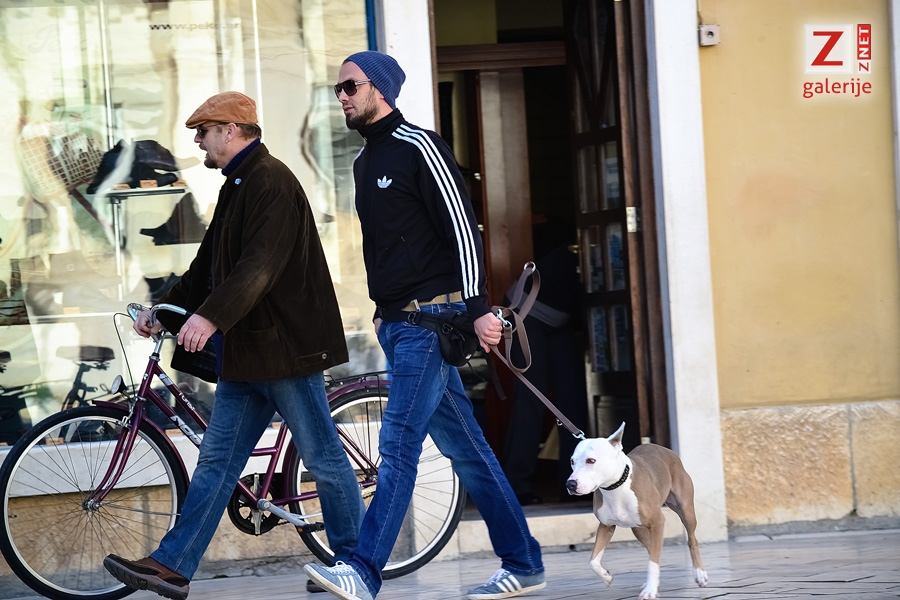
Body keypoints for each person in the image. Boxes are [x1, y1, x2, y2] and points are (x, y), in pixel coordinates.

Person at [102, 91, 365, 600]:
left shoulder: (271, 181)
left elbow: (258, 267)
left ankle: (354, 564)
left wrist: (209, 318)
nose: (198, 141)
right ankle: (173, 566)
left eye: (203, 131)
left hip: (284, 353)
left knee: (323, 460)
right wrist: (165, 310)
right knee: (217, 463)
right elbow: (206, 267)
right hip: (247, 354)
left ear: (231, 130)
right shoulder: (239, 184)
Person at [304, 51, 545, 600]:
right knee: (470, 452)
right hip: (399, 324)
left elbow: (463, 230)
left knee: (397, 444)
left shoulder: (420, 146)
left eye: (350, 86)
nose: (341, 96)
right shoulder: (364, 162)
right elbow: (384, 245)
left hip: (432, 326)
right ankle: (525, 562)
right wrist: (382, 306)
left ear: (380, 89)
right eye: (337, 89)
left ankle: (362, 570)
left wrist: (478, 308)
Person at [501, 243, 589, 506]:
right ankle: (516, 486)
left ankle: (576, 484)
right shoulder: (571, 256)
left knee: (572, 400)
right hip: (526, 311)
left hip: (560, 319)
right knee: (531, 399)